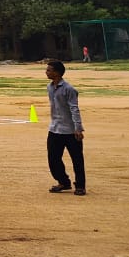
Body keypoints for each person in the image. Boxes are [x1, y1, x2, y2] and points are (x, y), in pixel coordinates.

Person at [44, 59, 85, 196]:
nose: (46, 72)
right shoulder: (49, 87)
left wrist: (78, 129)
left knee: (77, 159)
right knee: (53, 158)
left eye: (49, 70)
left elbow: (74, 109)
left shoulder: (69, 89)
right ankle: (63, 181)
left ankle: (80, 186)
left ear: (57, 73)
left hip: (70, 130)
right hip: (55, 128)